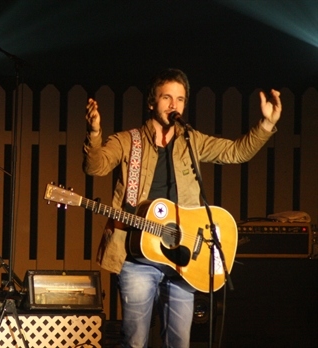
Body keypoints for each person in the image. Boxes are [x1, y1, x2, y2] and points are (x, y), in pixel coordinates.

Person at [83, 68, 281, 347]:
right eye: (167, 98)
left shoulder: (192, 140)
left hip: (183, 257)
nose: (174, 105)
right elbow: (95, 167)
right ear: (152, 102)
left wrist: (266, 124)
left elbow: (236, 152)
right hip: (137, 258)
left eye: (180, 99)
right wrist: (93, 133)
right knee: (135, 341)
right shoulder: (128, 141)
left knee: (179, 342)